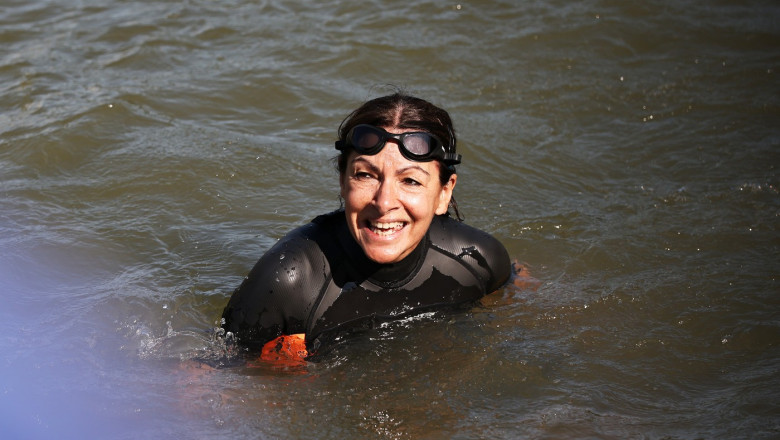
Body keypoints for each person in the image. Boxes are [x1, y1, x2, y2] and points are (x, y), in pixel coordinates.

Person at [221, 93, 512, 361]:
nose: (384, 203)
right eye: (365, 175)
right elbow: (213, 380)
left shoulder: (480, 263)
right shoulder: (288, 285)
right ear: (342, 181)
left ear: (444, 194)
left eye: (410, 180)